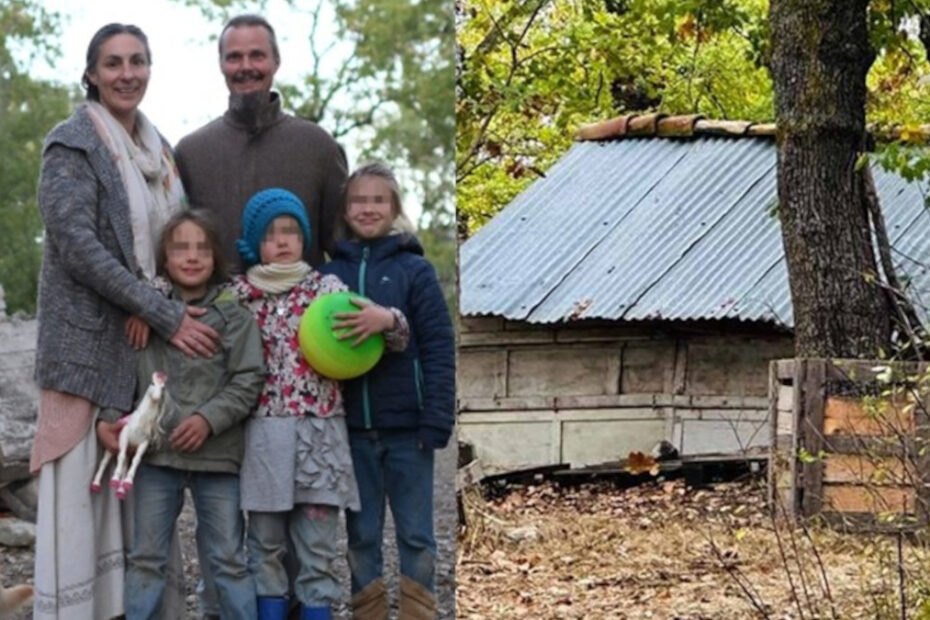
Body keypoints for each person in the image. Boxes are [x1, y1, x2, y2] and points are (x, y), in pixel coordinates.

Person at [31, 23, 218, 620]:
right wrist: (152, 306)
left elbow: (169, 245)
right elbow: (77, 246)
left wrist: (153, 302)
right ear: (91, 73)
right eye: (112, 63)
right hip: (85, 345)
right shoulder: (73, 144)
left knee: (139, 488)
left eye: (138, 61)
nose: (126, 73)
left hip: (141, 345)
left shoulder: (158, 151)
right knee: (83, 491)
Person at [228, 188, 407, 620]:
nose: (283, 240)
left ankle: (316, 610)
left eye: (291, 230)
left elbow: (390, 334)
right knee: (265, 543)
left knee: (318, 544)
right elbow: (187, 312)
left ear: (304, 237)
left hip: (319, 435)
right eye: (271, 234)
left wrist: (390, 320)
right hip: (262, 435)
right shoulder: (237, 295)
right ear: (256, 243)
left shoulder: (326, 288)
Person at [99, 210, 264, 620]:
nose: (191, 257)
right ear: (164, 258)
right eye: (180, 248)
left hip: (218, 457)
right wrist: (109, 415)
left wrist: (209, 419)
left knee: (229, 559)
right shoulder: (144, 316)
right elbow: (123, 372)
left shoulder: (236, 317)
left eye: (202, 248)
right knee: (146, 559)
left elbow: (249, 378)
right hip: (156, 458)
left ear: (216, 257)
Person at [321, 163, 455, 619]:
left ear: (394, 207)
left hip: (408, 429)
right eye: (359, 200)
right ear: (344, 208)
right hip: (351, 430)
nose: (368, 208)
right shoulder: (328, 273)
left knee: (416, 535)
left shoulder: (415, 270)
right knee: (360, 536)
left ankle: (419, 610)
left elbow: (437, 345)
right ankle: (369, 613)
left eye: (378, 200)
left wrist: (437, 419)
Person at [175, 14, 347, 271]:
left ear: (276, 62)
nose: (246, 66)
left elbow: (347, 251)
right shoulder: (190, 154)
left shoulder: (319, 147)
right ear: (221, 65)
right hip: (213, 309)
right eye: (234, 57)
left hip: (303, 308)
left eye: (257, 55)